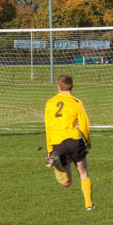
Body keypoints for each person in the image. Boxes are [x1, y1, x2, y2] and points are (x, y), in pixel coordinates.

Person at [44, 74, 94, 210]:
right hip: (74, 141)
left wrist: (50, 149)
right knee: (83, 172)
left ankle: (57, 163)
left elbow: (48, 127)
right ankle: (89, 205)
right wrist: (87, 141)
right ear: (71, 87)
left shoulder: (50, 102)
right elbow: (84, 125)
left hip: (57, 142)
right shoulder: (77, 102)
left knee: (66, 183)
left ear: (59, 87)